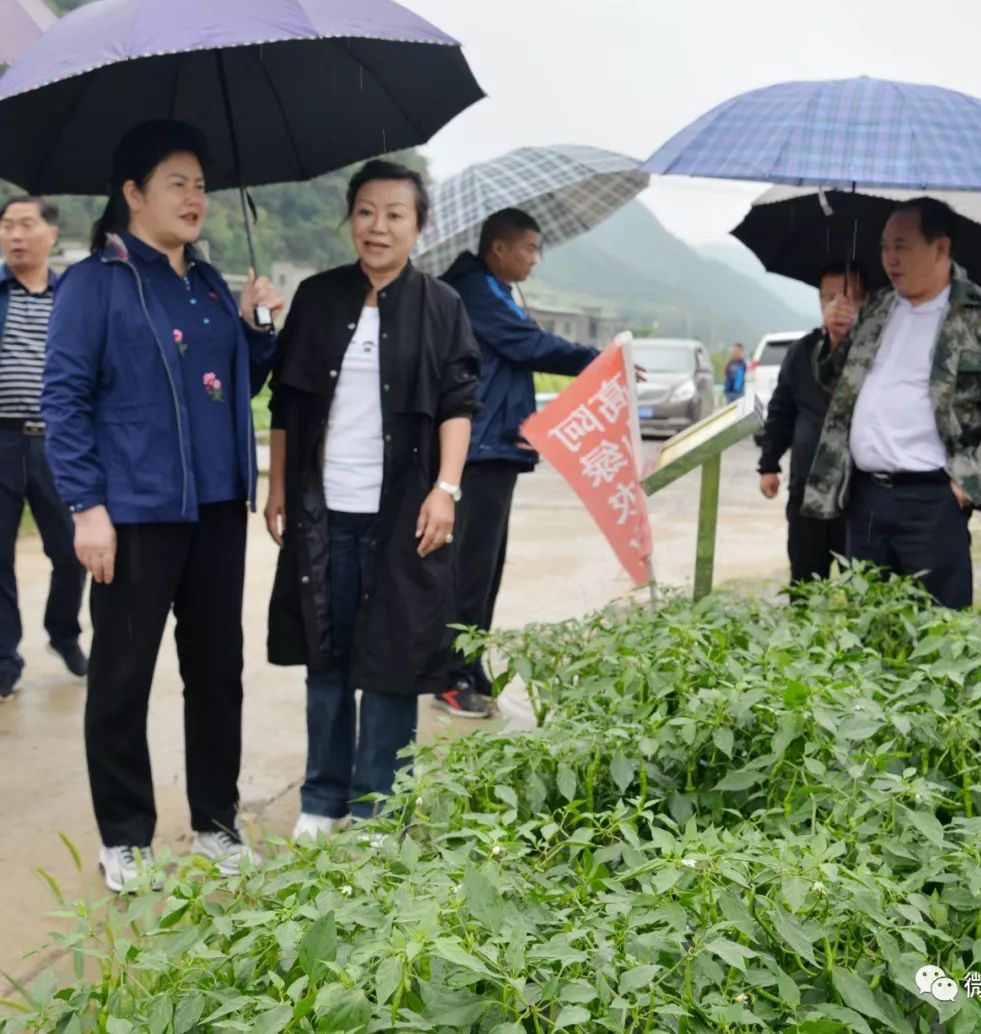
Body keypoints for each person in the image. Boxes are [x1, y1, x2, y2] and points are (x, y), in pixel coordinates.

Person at [42, 120, 283, 892]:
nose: (195, 198)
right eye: (177, 182)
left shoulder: (210, 284)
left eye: (202, 185)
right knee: (122, 677)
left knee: (218, 671)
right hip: (135, 510)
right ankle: (125, 836)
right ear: (133, 193)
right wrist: (86, 508)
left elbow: (230, 390)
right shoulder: (94, 285)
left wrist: (259, 331)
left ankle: (216, 821)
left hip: (215, 506)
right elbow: (66, 400)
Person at [264, 160, 480, 840]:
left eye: (394, 213)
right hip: (323, 510)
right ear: (349, 218)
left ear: (419, 225)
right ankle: (322, 796)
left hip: (403, 512)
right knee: (324, 654)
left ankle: (377, 804)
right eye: (365, 210)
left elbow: (457, 404)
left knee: (392, 657)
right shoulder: (318, 297)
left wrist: (446, 490)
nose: (377, 226)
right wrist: (276, 488)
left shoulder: (442, 306)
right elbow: (286, 403)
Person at [802, 197, 981, 609]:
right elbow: (834, 383)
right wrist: (837, 338)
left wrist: (971, 482)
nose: (889, 259)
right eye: (884, 247)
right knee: (867, 626)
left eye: (902, 246)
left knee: (938, 629)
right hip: (867, 497)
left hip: (932, 501)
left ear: (941, 248)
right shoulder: (878, 307)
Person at [435, 208, 600, 718]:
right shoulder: (474, 290)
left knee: (486, 566)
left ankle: (470, 659)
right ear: (498, 248)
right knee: (467, 567)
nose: (534, 258)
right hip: (478, 447)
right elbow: (527, 346)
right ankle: (447, 673)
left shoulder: (496, 291)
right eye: (528, 247)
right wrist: (597, 359)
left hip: (498, 444)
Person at [0, 196, 87, 699]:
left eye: (26, 225)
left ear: (50, 234)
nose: (15, 235)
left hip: (58, 442)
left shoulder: (71, 294)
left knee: (72, 550)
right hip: (2, 439)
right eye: (7, 226)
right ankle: (4, 657)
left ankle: (64, 634)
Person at [759, 261, 865, 585]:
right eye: (829, 297)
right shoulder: (801, 352)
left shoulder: (878, 353)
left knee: (861, 585)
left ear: (866, 301)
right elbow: (781, 411)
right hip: (807, 487)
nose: (837, 305)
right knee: (805, 582)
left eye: (848, 297)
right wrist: (769, 464)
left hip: (859, 492)